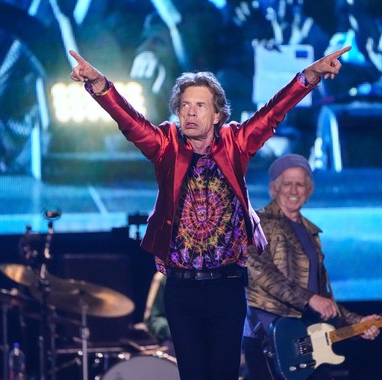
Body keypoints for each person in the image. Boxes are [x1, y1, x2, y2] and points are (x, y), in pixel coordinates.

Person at [69, 45, 351, 380]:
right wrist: (101, 85)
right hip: (180, 290)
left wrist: (310, 76)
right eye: (184, 106)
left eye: (199, 105)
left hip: (226, 287)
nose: (190, 112)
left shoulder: (236, 142)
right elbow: (129, 122)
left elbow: (273, 112)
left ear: (217, 114)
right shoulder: (165, 145)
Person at [242, 154, 380, 380]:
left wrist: (356, 323)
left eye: (300, 184)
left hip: (309, 339)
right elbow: (262, 274)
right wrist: (310, 299)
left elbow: (322, 298)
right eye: (287, 184)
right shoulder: (256, 224)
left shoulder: (310, 233)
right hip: (271, 342)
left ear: (309, 190)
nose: (294, 190)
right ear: (273, 189)